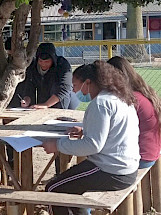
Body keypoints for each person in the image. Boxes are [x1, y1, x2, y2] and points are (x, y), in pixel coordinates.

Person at [42, 61, 140, 215]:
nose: (73, 91)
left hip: (111, 170)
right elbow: (113, 132)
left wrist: (57, 145)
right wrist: (85, 130)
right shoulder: (119, 98)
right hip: (126, 167)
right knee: (69, 188)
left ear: (87, 83)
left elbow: (93, 145)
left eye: (75, 85)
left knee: (53, 188)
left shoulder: (101, 103)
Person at [108, 56, 161, 168]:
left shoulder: (130, 99)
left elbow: (113, 130)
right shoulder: (144, 92)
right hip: (151, 151)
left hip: (140, 157)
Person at [8, 42, 79, 110]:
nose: (43, 64)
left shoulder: (62, 65)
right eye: (40, 61)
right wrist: (27, 100)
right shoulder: (33, 66)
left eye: (47, 62)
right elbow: (29, 87)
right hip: (43, 101)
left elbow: (64, 88)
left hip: (64, 103)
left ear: (53, 59)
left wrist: (46, 105)